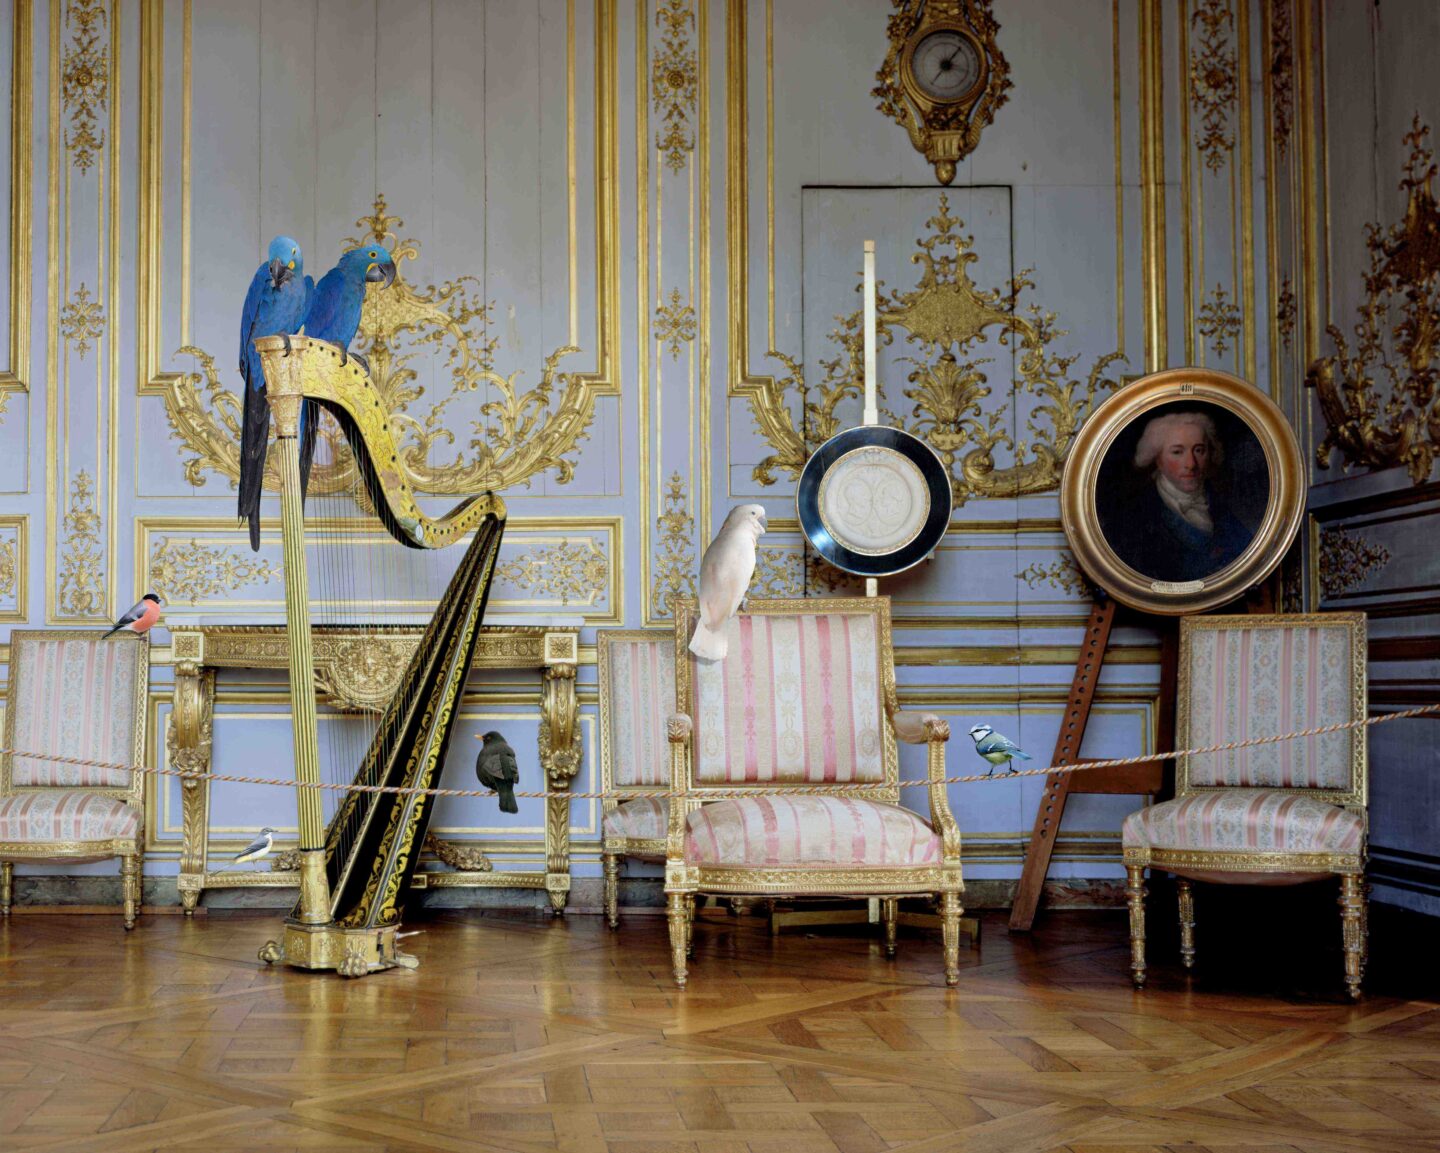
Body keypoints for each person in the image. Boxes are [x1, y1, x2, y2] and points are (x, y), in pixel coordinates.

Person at [1101, 410, 1256, 583]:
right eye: (1177, 452)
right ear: (1157, 458)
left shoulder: (1223, 509)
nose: (1191, 464)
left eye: (1199, 450)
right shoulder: (1134, 517)